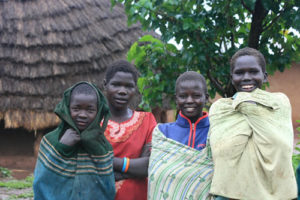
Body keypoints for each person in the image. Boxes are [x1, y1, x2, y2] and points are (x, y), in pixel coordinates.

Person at [209, 47, 297, 199]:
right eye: (239, 72)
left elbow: (280, 145)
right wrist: (248, 107)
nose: (246, 77)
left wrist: (243, 103)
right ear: (232, 78)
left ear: (264, 77)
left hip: (277, 195)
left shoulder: (279, 103)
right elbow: (222, 152)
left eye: (253, 71)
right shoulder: (221, 109)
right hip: (230, 195)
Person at [33, 82, 115, 200]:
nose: (82, 115)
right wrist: (62, 148)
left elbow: (107, 188)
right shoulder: (51, 140)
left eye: (90, 110)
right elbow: (41, 181)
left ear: (98, 112)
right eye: (76, 108)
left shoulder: (103, 146)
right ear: (67, 108)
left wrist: (94, 147)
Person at [148, 71, 214, 200]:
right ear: (176, 99)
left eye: (196, 96)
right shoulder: (163, 133)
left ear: (206, 98)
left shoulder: (216, 131)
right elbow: (156, 177)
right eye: (183, 96)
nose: (189, 101)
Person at [103, 60, 157, 200]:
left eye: (129, 86)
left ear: (135, 89)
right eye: (116, 84)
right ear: (105, 85)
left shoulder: (147, 121)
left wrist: (110, 163)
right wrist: (134, 168)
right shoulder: (92, 122)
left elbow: (150, 165)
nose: (122, 91)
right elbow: (87, 165)